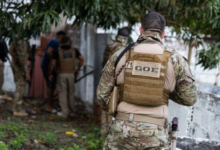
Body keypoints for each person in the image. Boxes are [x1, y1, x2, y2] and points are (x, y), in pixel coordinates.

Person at [97, 12, 197, 149]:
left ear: (141, 30)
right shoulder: (175, 59)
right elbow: (189, 98)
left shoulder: (119, 55)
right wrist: (163, 92)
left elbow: (102, 96)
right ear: (163, 34)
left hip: (121, 129)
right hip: (155, 133)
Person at [101, 27, 130, 137]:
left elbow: (104, 64)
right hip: (124, 83)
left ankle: (105, 133)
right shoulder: (130, 48)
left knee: (106, 107)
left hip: (109, 81)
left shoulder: (110, 46)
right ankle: (118, 134)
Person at [49, 36, 84, 118]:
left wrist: (50, 73)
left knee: (62, 93)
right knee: (71, 93)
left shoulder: (57, 51)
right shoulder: (74, 51)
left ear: (61, 43)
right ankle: (72, 111)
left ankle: (64, 112)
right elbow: (82, 59)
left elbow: (52, 64)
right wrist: (78, 69)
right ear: (69, 42)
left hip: (61, 75)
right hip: (71, 74)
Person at [41, 31, 66, 113]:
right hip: (47, 66)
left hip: (48, 66)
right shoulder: (54, 41)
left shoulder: (55, 42)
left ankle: (50, 105)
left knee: (51, 86)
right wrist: (55, 60)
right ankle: (49, 106)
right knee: (50, 86)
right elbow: (48, 52)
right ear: (61, 37)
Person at [10, 38, 32, 116]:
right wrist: (27, 72)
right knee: (20, 87)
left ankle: (17, 108)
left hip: (17, 65)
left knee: (19, 86)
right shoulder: (21, 40)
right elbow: (22, 58)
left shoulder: (17, 38)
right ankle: (16, 109)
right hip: (20, 67)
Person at [0, 37, 13, 101]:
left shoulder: (2, 39)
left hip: (2, 61)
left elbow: (5, 51)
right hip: (0, 62)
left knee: (1, 80)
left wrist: (9, 59)